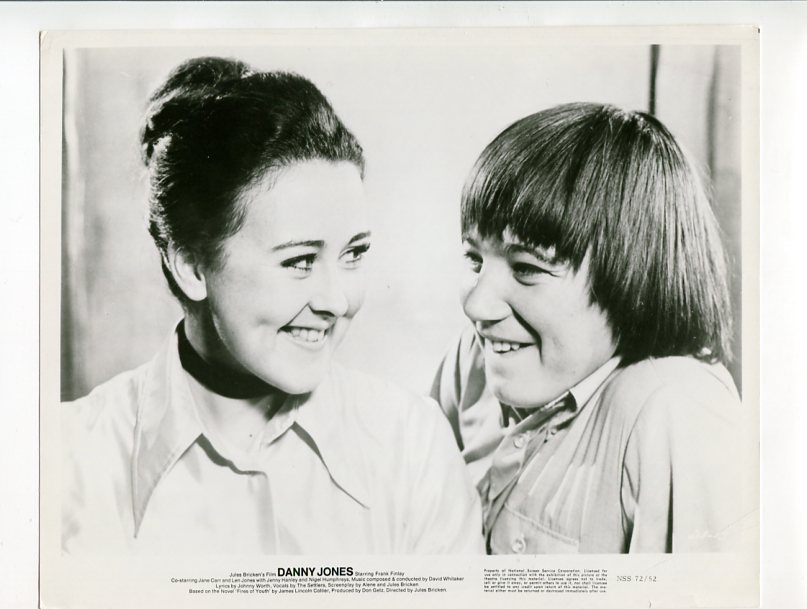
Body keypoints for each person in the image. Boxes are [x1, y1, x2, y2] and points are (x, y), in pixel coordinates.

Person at [61, 56, 482, 555]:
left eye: (353, 254)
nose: (336, 300)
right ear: (192, 267)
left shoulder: (414, 449)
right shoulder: (67, 461)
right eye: (300, 261)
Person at [431, 102, 748, 554]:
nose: (476, 305)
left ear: (633, 275)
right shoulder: (475, 359)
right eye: (474, 260)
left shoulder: (675, 409)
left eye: (527, 268)